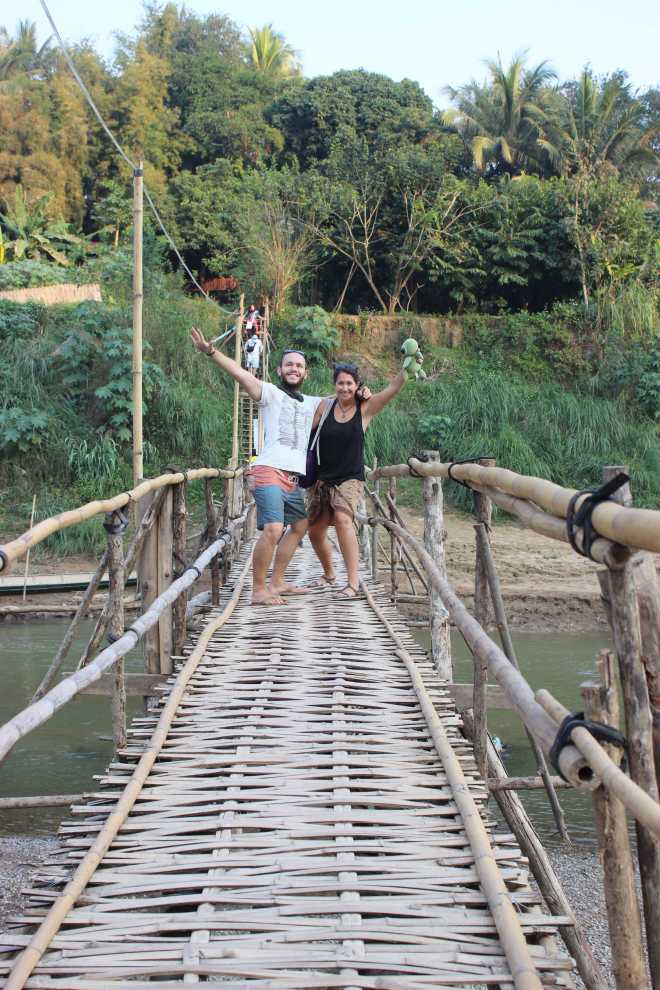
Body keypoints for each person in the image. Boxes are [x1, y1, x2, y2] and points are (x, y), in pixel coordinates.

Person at [189, 327, 324, 605]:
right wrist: (212, 352)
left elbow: (346, 399)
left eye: (299, 366)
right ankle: (259, 589)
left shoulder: (314, 403)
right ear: (279, 370)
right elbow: (241, 374)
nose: (294, 369)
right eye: (289, 365)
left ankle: (278, 581)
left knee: (299, 526)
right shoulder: (270, 393)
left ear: (306, 373)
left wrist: (362, 392)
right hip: (268, 471)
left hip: (293, 479)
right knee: (274, 528)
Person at [307, 362, 406, 598]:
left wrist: (406, 370)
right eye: (340, 383)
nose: (345, 388)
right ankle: (329, 573)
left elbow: (392, 389)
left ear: (357, 384)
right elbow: (304, 425)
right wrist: (337, 396)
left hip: (350, 477)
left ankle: (353, 583)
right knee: (315, 531)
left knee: (343, 520)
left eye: (349, 383)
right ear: (334, 385)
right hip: (323, 477)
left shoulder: (365, 408)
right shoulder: (324, 407)